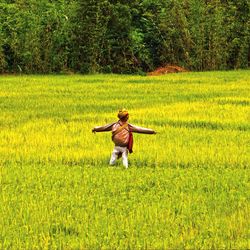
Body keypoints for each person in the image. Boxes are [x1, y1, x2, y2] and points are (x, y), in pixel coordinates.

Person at [92, 109, 156, 168]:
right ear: (126, 117)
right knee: (124, 157)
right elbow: (140, 129)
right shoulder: (127, 126)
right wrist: (151, 131)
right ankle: (124, 168)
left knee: (114, 156)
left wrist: (95, 128)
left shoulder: (114, 125)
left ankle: (111, 166)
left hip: (117, 146)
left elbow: (104, 127)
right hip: (122, 147)